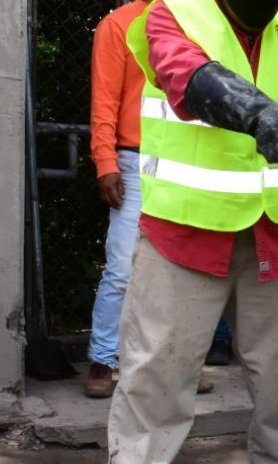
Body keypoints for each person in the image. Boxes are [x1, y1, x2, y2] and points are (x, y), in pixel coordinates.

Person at [101, 0, 278, 464]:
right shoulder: (172, 12)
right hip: (185, 229)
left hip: (272, 230)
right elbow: (189, 74)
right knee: (157, 368)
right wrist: (260, 114)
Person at [86, 0, 213, 398]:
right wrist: (105, 162)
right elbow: (104, 100)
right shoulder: (118, 25)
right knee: (123, 266)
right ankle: (104, 359)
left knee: (186, 268)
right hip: (135, 160)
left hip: (187, 158)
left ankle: (180, 366)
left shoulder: (198, 20)